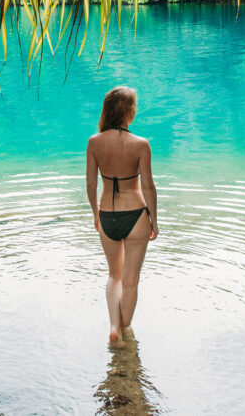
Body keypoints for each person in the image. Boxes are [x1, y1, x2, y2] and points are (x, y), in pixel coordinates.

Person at [86, 85, 158, 343]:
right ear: (128, 111)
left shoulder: (94, 142)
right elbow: (148, 186)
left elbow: (91, 185)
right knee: (131, 280)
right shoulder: (141, 144)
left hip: (108, 215)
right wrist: (154, 220)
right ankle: (126, 331)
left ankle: (114, 326)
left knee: (114, 275)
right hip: (136, 216)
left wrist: (96, 214)